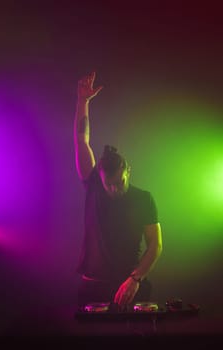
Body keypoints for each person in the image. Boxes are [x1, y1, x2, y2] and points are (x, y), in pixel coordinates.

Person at [74, 71, 162, 309]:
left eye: (119, 182)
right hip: (93, 285)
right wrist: (83, 102)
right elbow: (82, 141)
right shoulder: (93, 184)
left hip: (130, 284)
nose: (114, 189)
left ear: (128, 171)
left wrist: (136, 278)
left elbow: (155, 244)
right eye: (108, 184)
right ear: (99, 178)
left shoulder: (143, 198)